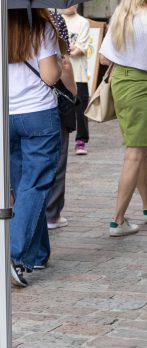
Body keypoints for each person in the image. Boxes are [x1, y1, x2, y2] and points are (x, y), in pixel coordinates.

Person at [99, 0, 147, 238]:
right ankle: (117, 220)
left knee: (140, 149)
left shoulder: (121, 16)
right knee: (134, 152)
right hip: (142, 85)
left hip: (121, 82)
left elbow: (105, 58)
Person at [7, 9, 65, 286]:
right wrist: (61, 61)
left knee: (23, 186)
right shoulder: (41, 28)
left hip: (6, 114)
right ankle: (15, 255)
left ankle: (39, 252)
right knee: (35, 184)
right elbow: (50, 75)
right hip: (38, 113)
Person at [44, 13, 79, 234]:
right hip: (51, 99)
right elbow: (64, 61)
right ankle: (51, 213)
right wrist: (74, 91)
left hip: (15, 103)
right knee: (56, 157)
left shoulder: (9, 16)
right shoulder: (53, 19)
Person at [60, 4, 92, 155]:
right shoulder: (57, 20)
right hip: (59, 71)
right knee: (60, 106)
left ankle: (81, 140)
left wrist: (67, 49)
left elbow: (80, 49)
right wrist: (69, 48)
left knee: (80, 107)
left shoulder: (83, 22)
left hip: (78, 72)